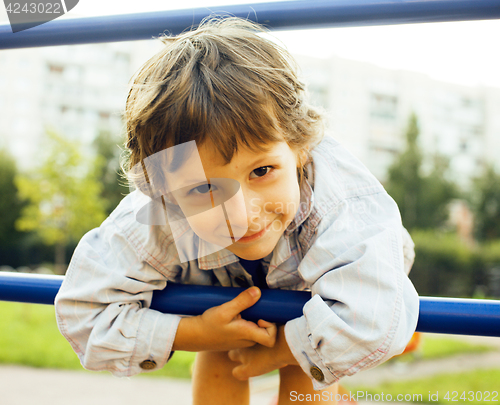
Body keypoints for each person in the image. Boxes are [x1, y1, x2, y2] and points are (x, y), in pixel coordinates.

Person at [55, 16, 419, 405]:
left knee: (306, 356)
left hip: (329, 286)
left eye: (262, 171)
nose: (241, 215)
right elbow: (82, 313)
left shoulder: (344, 204)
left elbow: (375, 318)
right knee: (222, 342)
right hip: (224, 286)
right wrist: (196, 333)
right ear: (164, 190)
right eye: (202, 188)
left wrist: (284, 349)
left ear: (301, 147)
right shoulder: (156, 212)